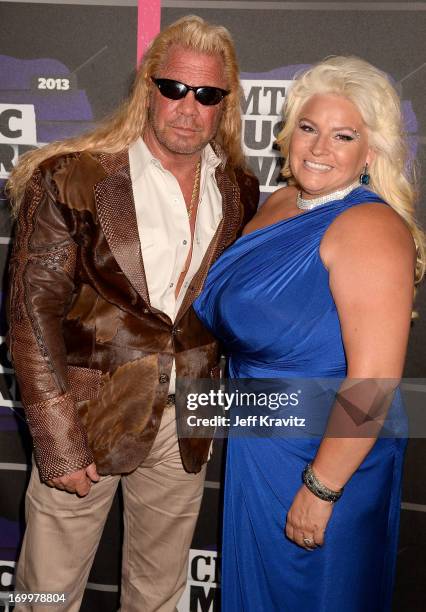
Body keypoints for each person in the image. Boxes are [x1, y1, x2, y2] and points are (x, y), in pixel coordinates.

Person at [6, 15, 259, 612]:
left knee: (160, 594)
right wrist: (59, 442)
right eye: (174, 88)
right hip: (87, 417)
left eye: (207, 94)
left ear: (225, 104)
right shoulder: (73, 176)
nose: (187, 107)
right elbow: (30, 316)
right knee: (47, 593)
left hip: (186, 423)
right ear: (148, 86)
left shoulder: (240, 191)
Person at [194, 56, 425, 611]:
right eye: (308, 127)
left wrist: (321, 490)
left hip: (325, 457)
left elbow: (372, 382)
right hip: (260, 445)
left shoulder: (370, 228)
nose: (320, 148)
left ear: (370, 152)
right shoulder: (276, 203)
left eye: (343, 136)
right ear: (288, 132)